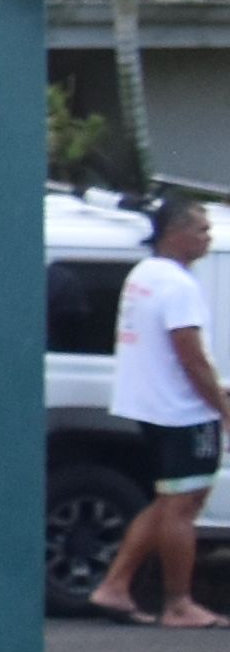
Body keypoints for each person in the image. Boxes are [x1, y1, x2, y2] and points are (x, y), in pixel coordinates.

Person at [92, 193, 225, 628]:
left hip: (150, 404)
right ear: (175, 232)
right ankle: (178, 602)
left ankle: (114, 586)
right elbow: (191, 356)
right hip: (182, 411)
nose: (207, 237)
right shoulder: (179, 286)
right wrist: (222, 406)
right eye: (201, 229)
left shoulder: (144, 273)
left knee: (169, 502)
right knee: (183, 507)